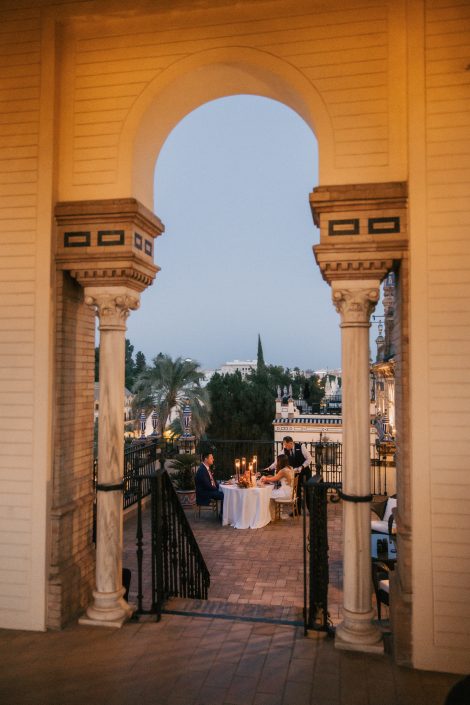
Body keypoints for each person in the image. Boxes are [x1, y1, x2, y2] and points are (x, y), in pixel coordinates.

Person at [264, 436, 312, 513]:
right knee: (297, 491)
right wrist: (269, 468)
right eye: (284, 445)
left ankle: (311, 510)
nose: (285, 446)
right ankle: (297, 511)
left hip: (305, 471)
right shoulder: (284, 450)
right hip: (294, 473)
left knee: (308, 491)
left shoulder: (301, 447)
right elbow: (277, 461)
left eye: (286, 445)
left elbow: (309, 458)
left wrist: (302, 467)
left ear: (291, 443)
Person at [260, 454, 295, 520]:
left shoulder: (283, 471)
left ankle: (271, 517)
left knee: (268, 494)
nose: (276, 462)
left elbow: (273, 479)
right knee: (274, 493)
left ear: (280, 461)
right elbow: (276, 478)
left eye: (277, 460)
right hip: (290, 492)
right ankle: (278, 514)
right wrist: (269, 477)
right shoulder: (290, 468)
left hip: (286, 493)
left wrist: (265, 478)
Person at [195, 451, 224, 519]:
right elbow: (207, 485)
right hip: (204, 493)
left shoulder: (206, 468)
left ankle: (223, 514)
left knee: (224, 493)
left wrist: (221, 484)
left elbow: (212, 481)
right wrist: (217, 489)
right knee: (224, 495)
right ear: (206, 459)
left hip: (208, 490)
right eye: (211, 458)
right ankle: (222, 515)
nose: (213, 459)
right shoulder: (202, 470)